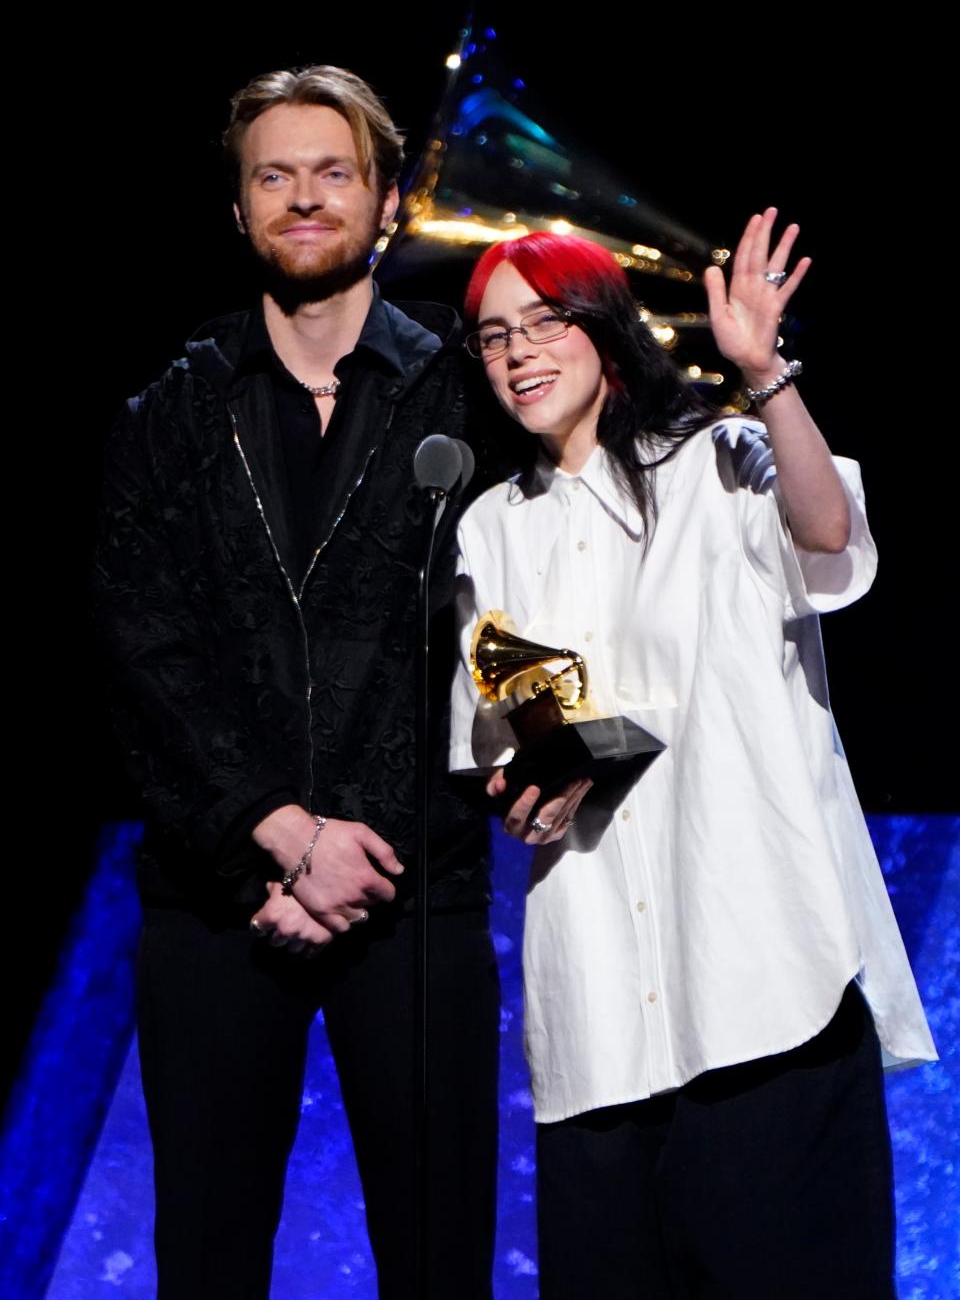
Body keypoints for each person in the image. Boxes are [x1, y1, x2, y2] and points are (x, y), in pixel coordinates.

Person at [450, 213, 937, 1300]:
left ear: (605, 331)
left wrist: (768, 377)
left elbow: (828, 539)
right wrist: (529, 793)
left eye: (544, 321)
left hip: (764, 984)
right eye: (492, 336)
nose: (518, 350)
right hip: (601, 1019)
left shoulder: (719, 457)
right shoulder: (490, 528)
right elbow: (531, 723)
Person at [94, 65, 499, 1300]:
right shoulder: (170, 409)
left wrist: (349, 849)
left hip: (412, 891)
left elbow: (483, 634)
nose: (304, 197)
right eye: (274, 174)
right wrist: (270, 833)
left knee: (440, 1265)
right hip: (218, 894)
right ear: (239, 210)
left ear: (386, 204)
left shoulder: (474, 391)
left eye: (334, 172)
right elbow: (143, 647)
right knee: (206, 1264)